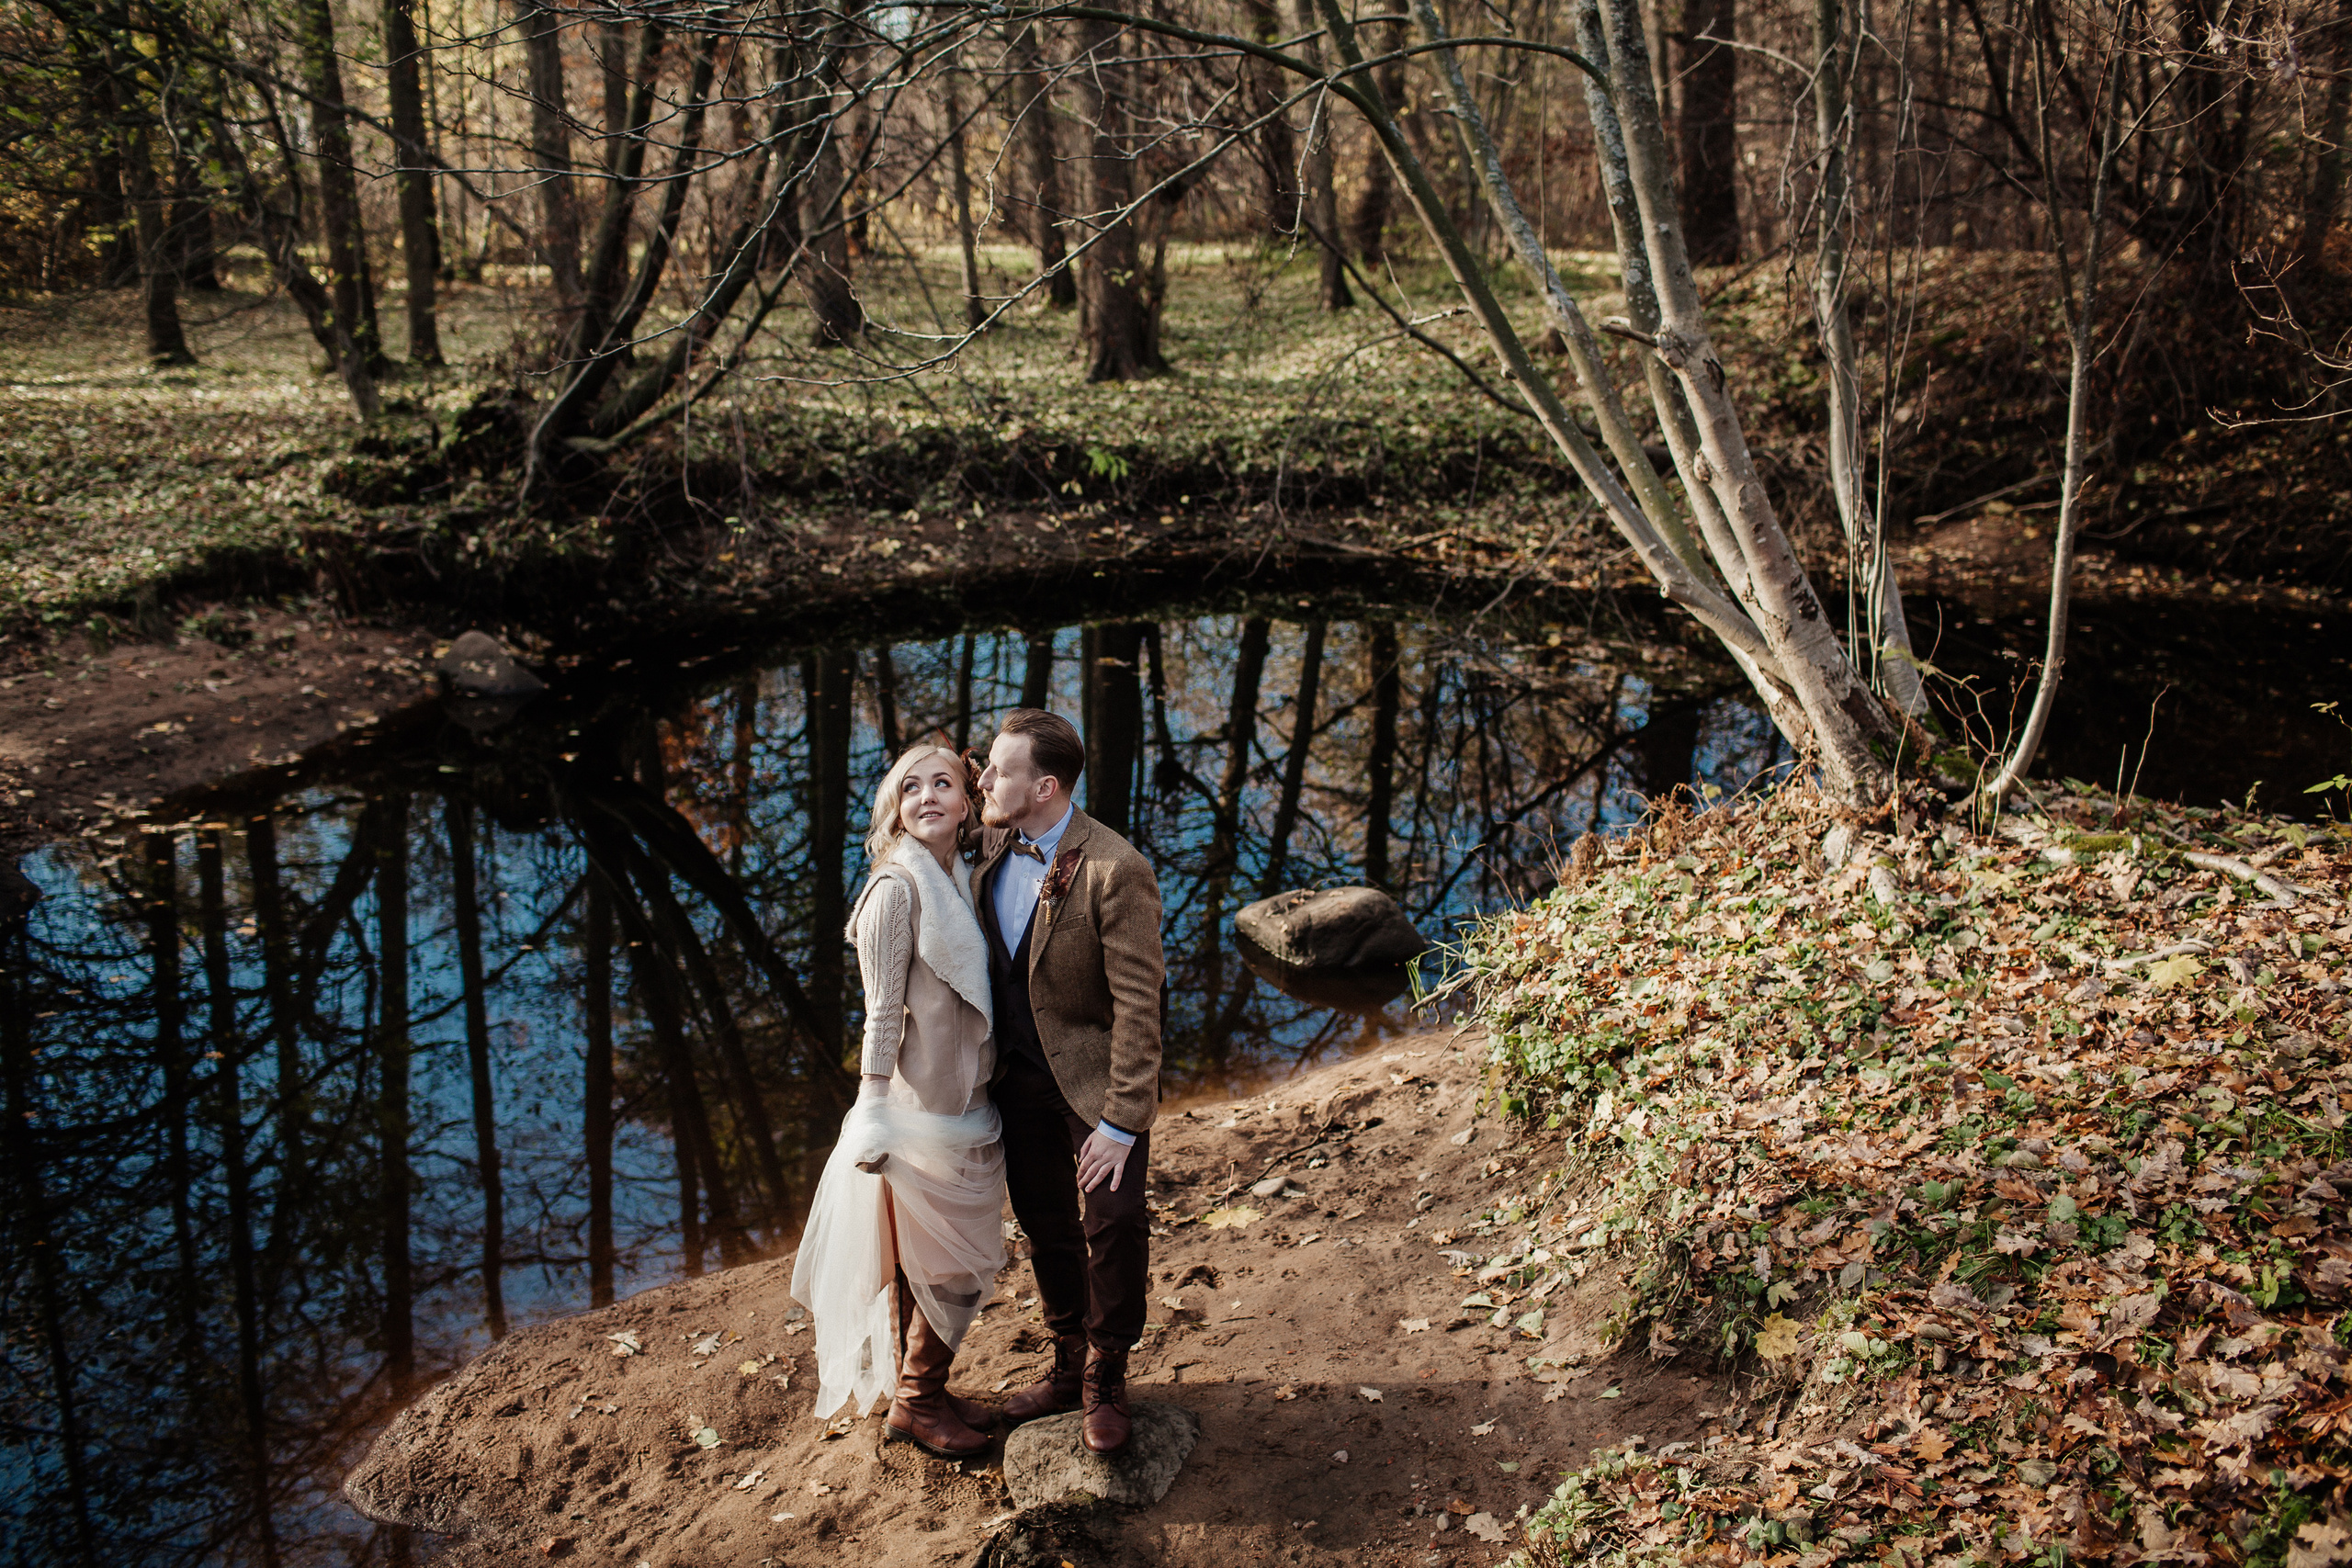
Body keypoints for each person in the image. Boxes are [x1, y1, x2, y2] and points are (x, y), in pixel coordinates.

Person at [791, 743, 1005, 1458]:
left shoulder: (965, 874)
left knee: (930, 1259)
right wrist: (871, 1109)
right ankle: (916, 1399)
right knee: (961, 1264)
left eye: (943, 783)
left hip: (966, 1096)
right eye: (909, 788)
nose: (926, 797)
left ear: (967, 800)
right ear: (895, 808)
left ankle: (928, 1390)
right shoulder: (896, 890)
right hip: (916, 1109)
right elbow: (882, 1013)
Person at [973, 709, 1166, 1454]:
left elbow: (1140, 1008)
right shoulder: (990, 843)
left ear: (1045, 787)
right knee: (1044, 1221)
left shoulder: (1118, 870)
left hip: (1093, 1079)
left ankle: (1106, 1372)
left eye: (998, 769)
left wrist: (1121, 1123)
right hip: (1015, 1076)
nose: (982, 779)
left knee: (1113, 1220)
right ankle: (1065, 1361)